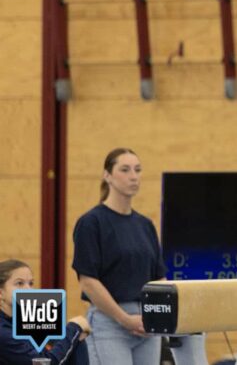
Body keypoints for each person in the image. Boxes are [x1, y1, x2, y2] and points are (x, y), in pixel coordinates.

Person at [72, 147, 164, 364]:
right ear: (107, 176)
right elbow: (88, 282)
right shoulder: (91, 223)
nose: (133, 176)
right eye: (125, 170)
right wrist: (124, 319)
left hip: (147, 321)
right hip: (109, 322)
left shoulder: (145, 225)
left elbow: (159, 278)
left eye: (137, 170)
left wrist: (158, 316)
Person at [0, 259, 90, 364]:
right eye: (19, 283)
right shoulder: (3, 332)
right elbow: (45, 363)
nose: (28, 290)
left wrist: (73, 334)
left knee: (76, 341)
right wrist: (74, 327)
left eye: (31, 283)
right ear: (1, 293)